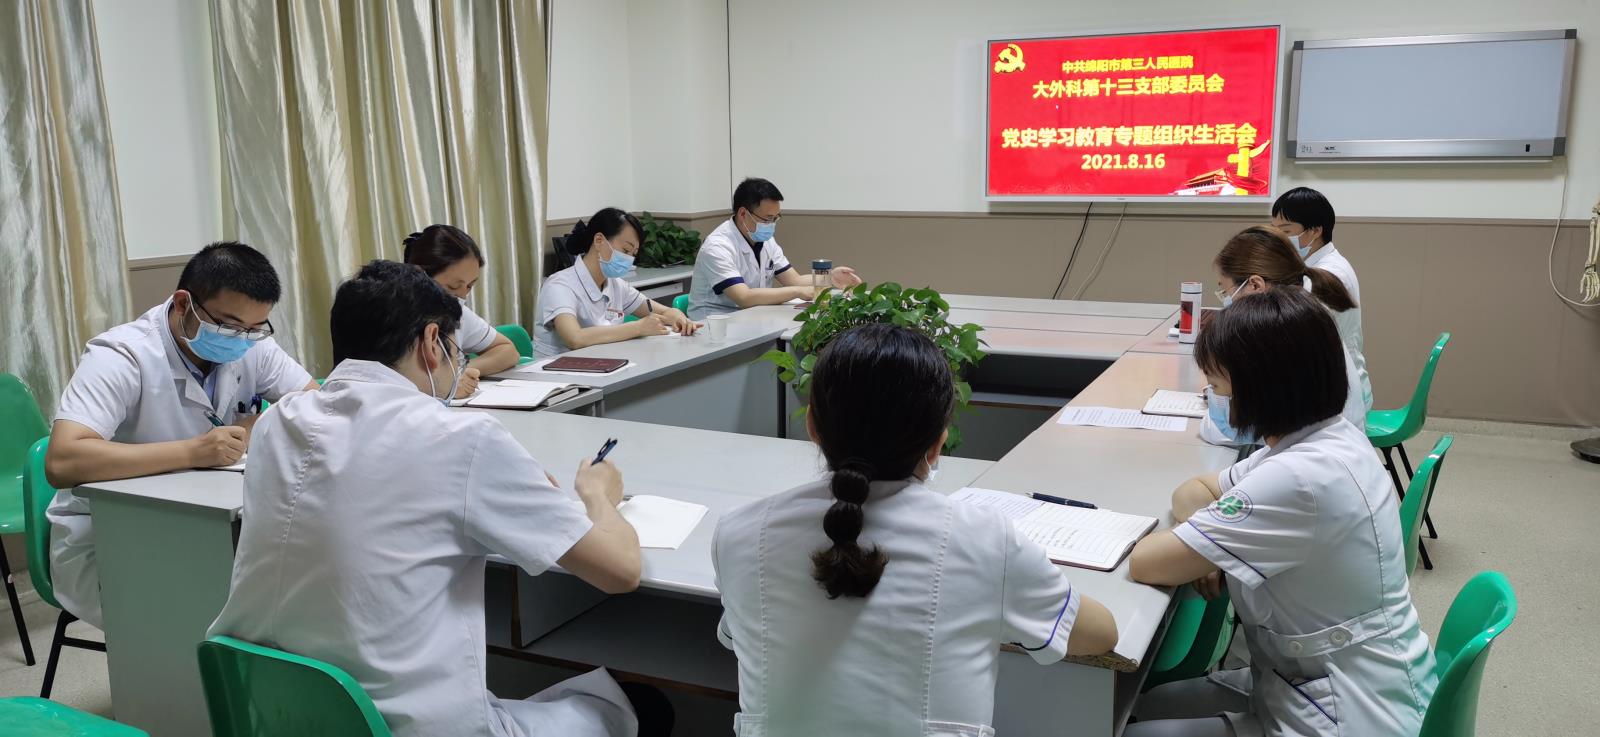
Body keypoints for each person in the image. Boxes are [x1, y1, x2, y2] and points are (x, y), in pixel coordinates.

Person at [208, 260, 669, 737]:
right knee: (644, 706)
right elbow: (619, 572)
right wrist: (599, 498)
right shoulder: (459, 437)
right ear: (432, 342)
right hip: (404, 725)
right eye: (456, 351)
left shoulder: (278, 422)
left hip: (275, 714)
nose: (458, 365)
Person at [712, 323, 1119, 736]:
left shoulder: (738, 533)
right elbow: (1098, 635)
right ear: (939, 442)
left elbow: (735, 635)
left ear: (812, 425)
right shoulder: (985, 538)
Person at [1125, 288, 1436, 737]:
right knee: (1149, 706)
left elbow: (1146, 560)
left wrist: (1207, 545)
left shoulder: (1297, 478)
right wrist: (1214, 543)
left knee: (1136, 730)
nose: (1216, 401)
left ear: (1261, 388)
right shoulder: (1324, 440)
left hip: (1350, 711)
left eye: (1218, 388)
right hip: (1311, 677)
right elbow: (1195, 489)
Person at [44, 242, 318, 628]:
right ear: (183, 303)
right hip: (110, 535)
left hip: (207, 522)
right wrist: (193, 452)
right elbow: (62, 461)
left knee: (299, 578)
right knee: (226, 600)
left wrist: (257, 425)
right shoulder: (122, 355)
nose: (239, 339)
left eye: (254, 328)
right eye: (227, 325)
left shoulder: (250, 344)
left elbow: (317, 406)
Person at [1202, 226, 1367, 446]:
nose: (1226, 300)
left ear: (1255, 285)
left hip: (1318, 458)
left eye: (1226, 291)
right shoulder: (1300, 315)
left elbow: (1239, 430)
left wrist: (1220, 397)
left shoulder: (1285, 335)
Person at [687, 177, 863, 319]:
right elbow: (744, 297)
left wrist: (828, 277)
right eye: (767, 218)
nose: (771, 225)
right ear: (743, 214)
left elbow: (794, 280)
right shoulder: (717, 246)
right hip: (714, 325)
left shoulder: (764, 240)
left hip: (750, 318)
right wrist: (798, 292)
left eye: (775, 218)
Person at [534, 208, 699, 357]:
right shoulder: (560, 285)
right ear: (599, 240)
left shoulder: (615, 284)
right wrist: (638, 328)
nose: (628, 259)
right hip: (559, 376)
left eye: (633, 254)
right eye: (626, 250)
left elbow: (663, 312)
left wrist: (678, 318)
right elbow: (575, 338)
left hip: (603, 365)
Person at [1270, 187, 1370, 408]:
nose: (1278, 239)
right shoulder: (1317, 265)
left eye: (1285, 232)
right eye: (1275, 231)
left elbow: (1298, 340)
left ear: (1314, 230)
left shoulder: (1326, 275)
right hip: (1332, 379)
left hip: (1338, 395)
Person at [403, 225, 522, 394]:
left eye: (470, 286)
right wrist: (447, 384)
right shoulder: (394, 318)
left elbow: (508, 351)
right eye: (453, 286)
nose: (463, 296)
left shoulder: (456, 309)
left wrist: (460, 373)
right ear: (419, 276)